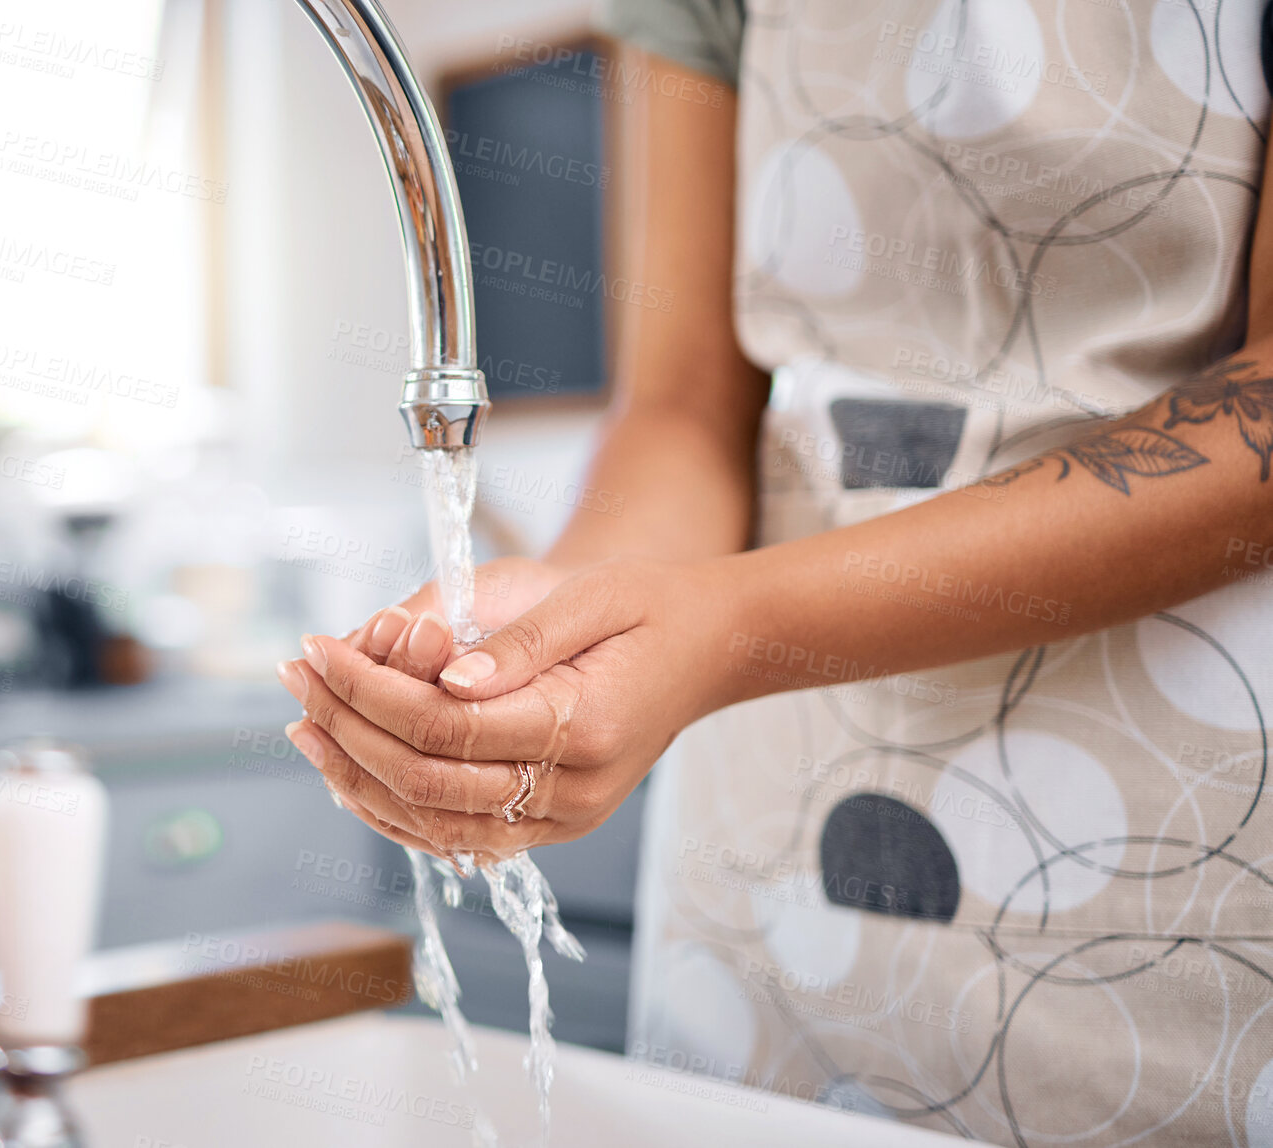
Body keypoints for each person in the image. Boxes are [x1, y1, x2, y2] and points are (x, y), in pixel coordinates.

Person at [272, 2, 1273, 1143]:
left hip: (1172, 811)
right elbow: (688, 404)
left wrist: (731, 629)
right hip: (777, 820)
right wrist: (569, 612)